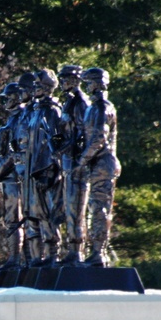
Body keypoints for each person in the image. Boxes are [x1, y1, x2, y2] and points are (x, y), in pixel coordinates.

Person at [73, 67, 120, 267]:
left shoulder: (102, 107)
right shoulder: (92, 108)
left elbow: (99, 138)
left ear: (99, 83)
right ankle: (95, 252)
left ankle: (99, 253)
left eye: (89, 82)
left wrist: (82, 161)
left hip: (103, 164)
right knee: (94, 208)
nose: (86, 86)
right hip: (96, 165)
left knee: (99, 209)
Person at [21, 69, 63, 266]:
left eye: (38, 86)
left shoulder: (53, 111)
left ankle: (52, 254)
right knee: (32, 214)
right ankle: (35, 258)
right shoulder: (34, 112)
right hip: (30, 171)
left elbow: (56, 142)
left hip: (45, 171)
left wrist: (49, 170)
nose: (35, 89)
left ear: (47, 89)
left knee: (46, 214)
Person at [0, 82, 26, 269]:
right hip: (10, 176)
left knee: (17, 218)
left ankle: (18, 259)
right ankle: (14, 258)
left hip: (17, 175)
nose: (5, 101)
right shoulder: (12, 119)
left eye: (8, 97)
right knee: (11, 218)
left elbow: (14, 153)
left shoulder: (21, 119)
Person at [56, 64, 91, 264]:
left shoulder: (80, 103)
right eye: (61, 79)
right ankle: (71, 249)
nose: (62, 83)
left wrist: (67, 149)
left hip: (77, 164)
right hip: (67, 164)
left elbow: (82, 135)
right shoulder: (67, 103)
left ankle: (77, 250)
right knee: (68, 209)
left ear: (76, 80)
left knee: (76, 209)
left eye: (66, 79)